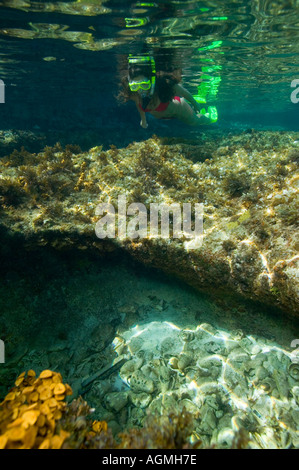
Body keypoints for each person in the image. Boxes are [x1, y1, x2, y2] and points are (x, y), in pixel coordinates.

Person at [121, 55, 217, 129]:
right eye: (135, 86)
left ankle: (209, 117)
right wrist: (143, 120)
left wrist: (195, 104)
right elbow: (139, 105)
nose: (140, 90)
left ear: (151, 81)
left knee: (194, 122)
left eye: (144, 84)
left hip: (180, 109)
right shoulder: (134, 93)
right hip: (167, 114)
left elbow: (183, 92)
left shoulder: (162, 86)